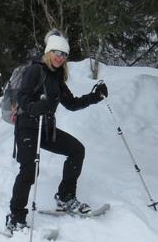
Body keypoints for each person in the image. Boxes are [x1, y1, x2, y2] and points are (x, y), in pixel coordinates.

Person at [7, 29, 108, 231]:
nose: (60, 58)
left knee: (76, 150)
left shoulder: (56, 78)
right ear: (48, 51)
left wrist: (94, 97)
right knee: (29, 170)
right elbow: (23, 96)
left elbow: (71, 103)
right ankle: (16, 218)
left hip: (45, 129)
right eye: (57, 53)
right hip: (27, 127)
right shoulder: (35, 70)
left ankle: (65, 197)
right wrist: (34, 108)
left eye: (64, 55)